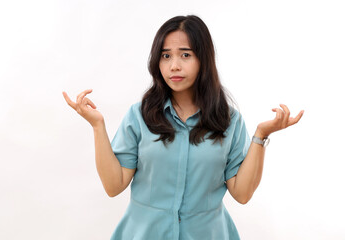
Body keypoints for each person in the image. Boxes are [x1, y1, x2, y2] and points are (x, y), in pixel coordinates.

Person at [63, 15, 304, 240]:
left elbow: (242, 194)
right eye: (166, 56)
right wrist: (97, 125)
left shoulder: (228, 120)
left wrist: (261, 135)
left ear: (203, 59)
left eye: (185, 55)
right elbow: (114, 186)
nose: (174, 66)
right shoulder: (139, 115)